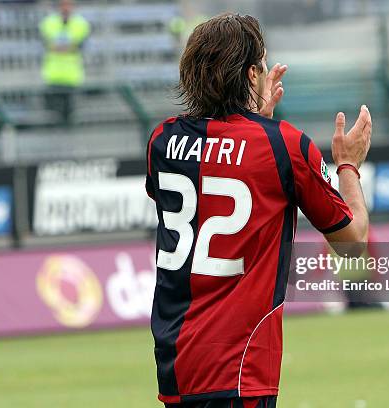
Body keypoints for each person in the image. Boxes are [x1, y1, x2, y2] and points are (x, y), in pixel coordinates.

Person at [146, 13, 371, 407]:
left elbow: (218, 173)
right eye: (262, 64)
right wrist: (348, 166)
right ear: (252, 75)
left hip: (175, 366)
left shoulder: (162, 140)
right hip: (239, 369)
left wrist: (253, 120)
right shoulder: (284, 144)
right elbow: (352, 243)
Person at [39, 0, 90, 126]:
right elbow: (47, 44)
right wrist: (67, 47)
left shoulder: (81, 24)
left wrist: (61, 47)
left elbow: (78, 45)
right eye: (63, 4)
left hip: (72, 76)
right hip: (52, 75)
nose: (66, 8)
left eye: (69, 4)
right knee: (52, 117)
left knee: (71, 118)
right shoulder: (48, 23)